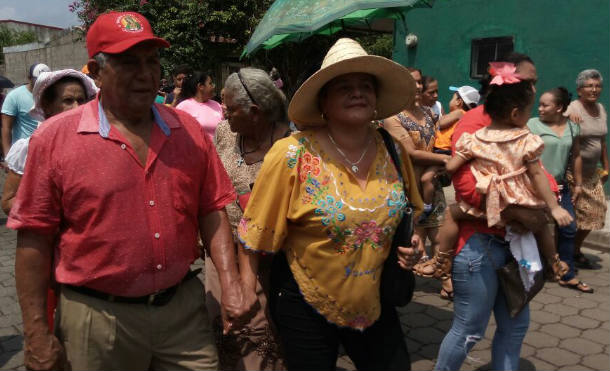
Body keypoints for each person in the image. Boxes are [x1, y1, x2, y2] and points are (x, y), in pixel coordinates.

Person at [8, 11, 254, 370]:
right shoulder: (54, 139)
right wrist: (36, 333)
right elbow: (34, 241)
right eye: (128, 63)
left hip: (182, 314)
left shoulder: (185, 130)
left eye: (151, 61)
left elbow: (212, 208)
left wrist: (230, 283)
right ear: (95, 71)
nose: (145, 74)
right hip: (96, 322)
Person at [238, 38, 424, 371]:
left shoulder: (392, 149)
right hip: (304, 299)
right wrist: (246, 290)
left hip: (375, 298)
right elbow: (255, 231)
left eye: (365, 86)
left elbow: (408, 211)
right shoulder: (291, 154)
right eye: (344, 87)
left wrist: (414, 242)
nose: (357, 93)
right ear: (323, 102)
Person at [434, 53, 556, 371]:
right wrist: (515, 209)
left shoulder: (520, 126)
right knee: (469, 329)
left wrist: (544, 200)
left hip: (516, 246)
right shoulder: (475, 120)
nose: (534, 87)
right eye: (528, 81)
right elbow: (463, 185)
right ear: (507, 82)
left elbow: (541, 175)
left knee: (515, 326)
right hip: (482, 245)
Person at [440, 63, 571, 284]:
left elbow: (452, 167)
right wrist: (555, 207)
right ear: (515, 113)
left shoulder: (476, 138)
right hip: (519, 201)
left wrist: (444, 166)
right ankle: (554, 260)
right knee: (541, 226)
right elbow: (538, 174)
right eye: (529, 111)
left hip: (489, 201)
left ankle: (440, 260)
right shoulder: (524, 140)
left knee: (451, 213)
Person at [205, 67, 291, 370]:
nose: (223, 113)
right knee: (223, 326)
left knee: (261, 332)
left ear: (254, 111)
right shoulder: (226, 133)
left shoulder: (290, 144)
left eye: (229, 108)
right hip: (222, 250)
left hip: (270, 261)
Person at [1, 69, 97, 332]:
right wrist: (48, 209)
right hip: (51, 256)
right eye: (68, 100)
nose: (76, 107)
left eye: (82, 100)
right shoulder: (33, 145)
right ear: (48, 105)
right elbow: (8, 201)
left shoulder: (99, 141)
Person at [383, 68, 453, 299]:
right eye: (413, 82)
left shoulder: (427, 112)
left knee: (439, 234)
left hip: (432, 184)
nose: (419, 87)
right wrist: (446, 159)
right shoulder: (393, 118)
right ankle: (397, 284)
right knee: (408, 238)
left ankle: (446, 279)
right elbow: (411, 153)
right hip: (406, 189)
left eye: (420, 82)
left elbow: (440, 137)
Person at [528, 87, 594, 293]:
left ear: (558, 108)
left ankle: (566, 273)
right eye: (539, 104)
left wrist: (579, 184)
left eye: (544, 105)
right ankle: (533, 271)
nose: (539, 108)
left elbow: (576, 156)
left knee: (568, 228)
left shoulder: (573, 128)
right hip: (534, 187)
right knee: (534, 229)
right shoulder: (531, 125)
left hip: (561, 186)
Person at [565, 69, 608, 270]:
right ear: (579, 89)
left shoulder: (600, 109)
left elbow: (602, 140)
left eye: (597, 85)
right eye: (589, 85)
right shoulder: (573, 109)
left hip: (592, 172)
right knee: (572, 216)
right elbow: (566, 141)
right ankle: (565, 253)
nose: (594, 89)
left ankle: (573, 249)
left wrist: (606, 166)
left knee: (597, 211)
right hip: (573, 172)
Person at [1, 63, 50, 156]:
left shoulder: (52, 95)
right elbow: (6, 128)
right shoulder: (15, 96)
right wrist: (8, 155)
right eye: (38, 79)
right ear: (29, 78)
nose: (43, 82)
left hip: (47, 150)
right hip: (24, 154)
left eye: (46, 79)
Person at [433, 85, 480, 156]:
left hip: (442, 150)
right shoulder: (468, 117)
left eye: (452, 98)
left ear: (458, 102)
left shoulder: (459, 113)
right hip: (449, 150)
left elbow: (441, 123)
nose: (450, 100)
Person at [176, 71, 223, 140]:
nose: (213, 86)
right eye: (210, 83)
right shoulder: (183, 107)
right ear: (201, 86)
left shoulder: (217, 105)